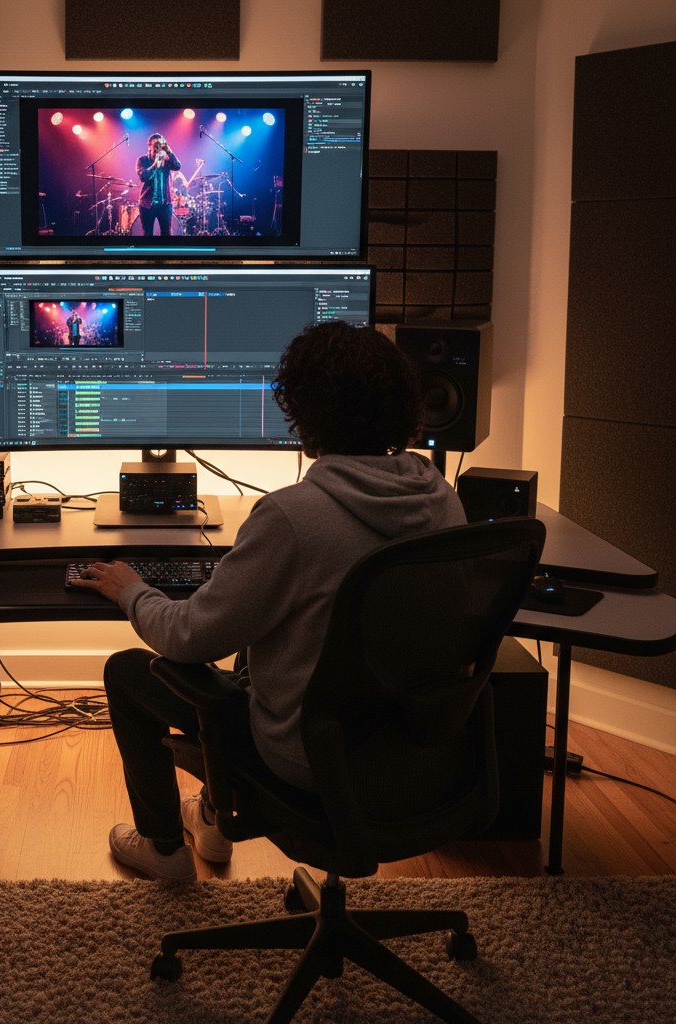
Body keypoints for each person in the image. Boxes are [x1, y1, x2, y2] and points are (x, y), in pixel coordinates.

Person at [71, 321, 466, 882]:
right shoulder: (444, 500)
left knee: (130, 672)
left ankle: (163, 850)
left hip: (309, 759)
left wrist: (131, 588)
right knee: (254, 645)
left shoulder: (293, 518)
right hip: (412, 749)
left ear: (304, 416)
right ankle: (211, 819)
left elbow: (187, 637)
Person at [135, 133, 182, 237]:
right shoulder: (142, 160)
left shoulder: (167, 158)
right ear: (150, 146)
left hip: (165, 204)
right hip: (147, 204)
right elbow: (143, 177)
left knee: (166, 234)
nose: (158, 147)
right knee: (147, 234)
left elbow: (178, 166)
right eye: (156, 144)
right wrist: (154, 164)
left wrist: (169, 152)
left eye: (161, 145)